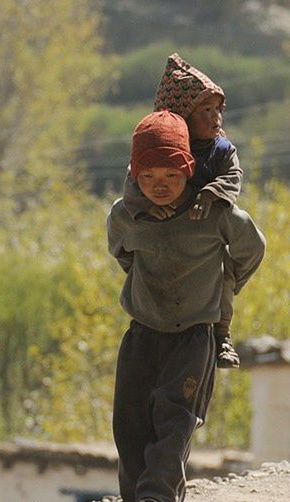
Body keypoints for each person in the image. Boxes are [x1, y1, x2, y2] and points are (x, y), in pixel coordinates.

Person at [107, 110, 265, 502]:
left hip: (194, 336)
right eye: (149, 176)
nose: (161, 185)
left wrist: (223, 283)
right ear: (135, 176)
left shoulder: (214, 214)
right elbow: (121, 252)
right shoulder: (126, 215)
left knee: (175, 417)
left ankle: (156, 499)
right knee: (130, 419)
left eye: (172, 175)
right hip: (142, 332)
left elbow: (252, 249)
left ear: (189, 170)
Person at [123, 53, 243, 368]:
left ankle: (222, 333)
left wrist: (210, 194)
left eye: (218, 109)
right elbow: (132, 186)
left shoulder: (222, 150)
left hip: (207, 238)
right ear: (182, 115)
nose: (215, 117)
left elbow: (233, 178)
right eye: (205, 110)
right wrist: (148, 208)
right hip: (161, 246)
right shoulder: (162, 148)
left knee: (223, 275)